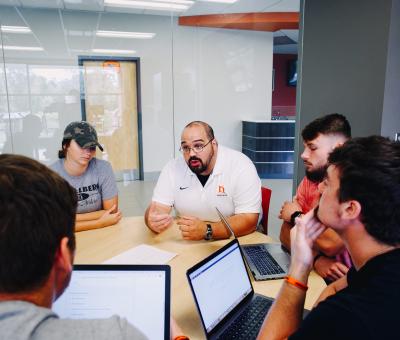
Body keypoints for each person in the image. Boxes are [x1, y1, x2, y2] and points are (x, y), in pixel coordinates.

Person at [0, 154, 188, 340]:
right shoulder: (117, 334)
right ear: (63, 257)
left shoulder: (101, 168)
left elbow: (111, 211)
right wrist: (179, 336)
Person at [257, 136, 400, 339]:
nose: (320, 189)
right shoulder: (382, 264)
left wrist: (299, 266)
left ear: (350, 208)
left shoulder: (347, 315)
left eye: (327, 183)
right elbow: (335, 288)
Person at [145, 121, 261, 240]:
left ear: (214, 144)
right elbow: (158, 207)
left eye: (198, 146)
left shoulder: (241, 165)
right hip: (188, 239)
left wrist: (208, 230)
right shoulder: (173, 167)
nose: (191, 154)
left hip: (234, 239)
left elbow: (249, 219)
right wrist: (152, 219)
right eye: (185, 147)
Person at [279, 113, 351, 282]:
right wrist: (318, 260)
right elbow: (285, 234)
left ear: (338, 149)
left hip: (346, 280)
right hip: (317, 272)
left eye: (312, 148)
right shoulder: (310, 180)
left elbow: (330, 243)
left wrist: (296, 216)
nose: (303, 155)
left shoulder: (355, 184)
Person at [50, 121, 121, 232]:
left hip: (101, 233)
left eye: (92, 147)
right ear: (65, 145)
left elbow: (111, 212)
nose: (88, 152)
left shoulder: (103, 168)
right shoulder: (51, 175)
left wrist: (68, 219)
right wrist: (98, 223)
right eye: (82, 145)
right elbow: (53, 223)